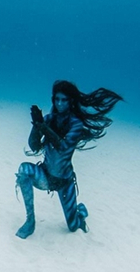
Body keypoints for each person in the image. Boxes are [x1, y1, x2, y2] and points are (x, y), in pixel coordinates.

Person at [15, 80, 123, 239]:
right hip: (45, 176)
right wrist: (36, 126)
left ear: (71, 101)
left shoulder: (76, 124)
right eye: (57, 99)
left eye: (64, 100)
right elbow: (34, 146)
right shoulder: (49, 119)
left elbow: (64, 147)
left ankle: (81, 211)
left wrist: (44, 127)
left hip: (65, 182)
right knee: (24, 170)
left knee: (73, 227)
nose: (59, 103)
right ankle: (30, 221)